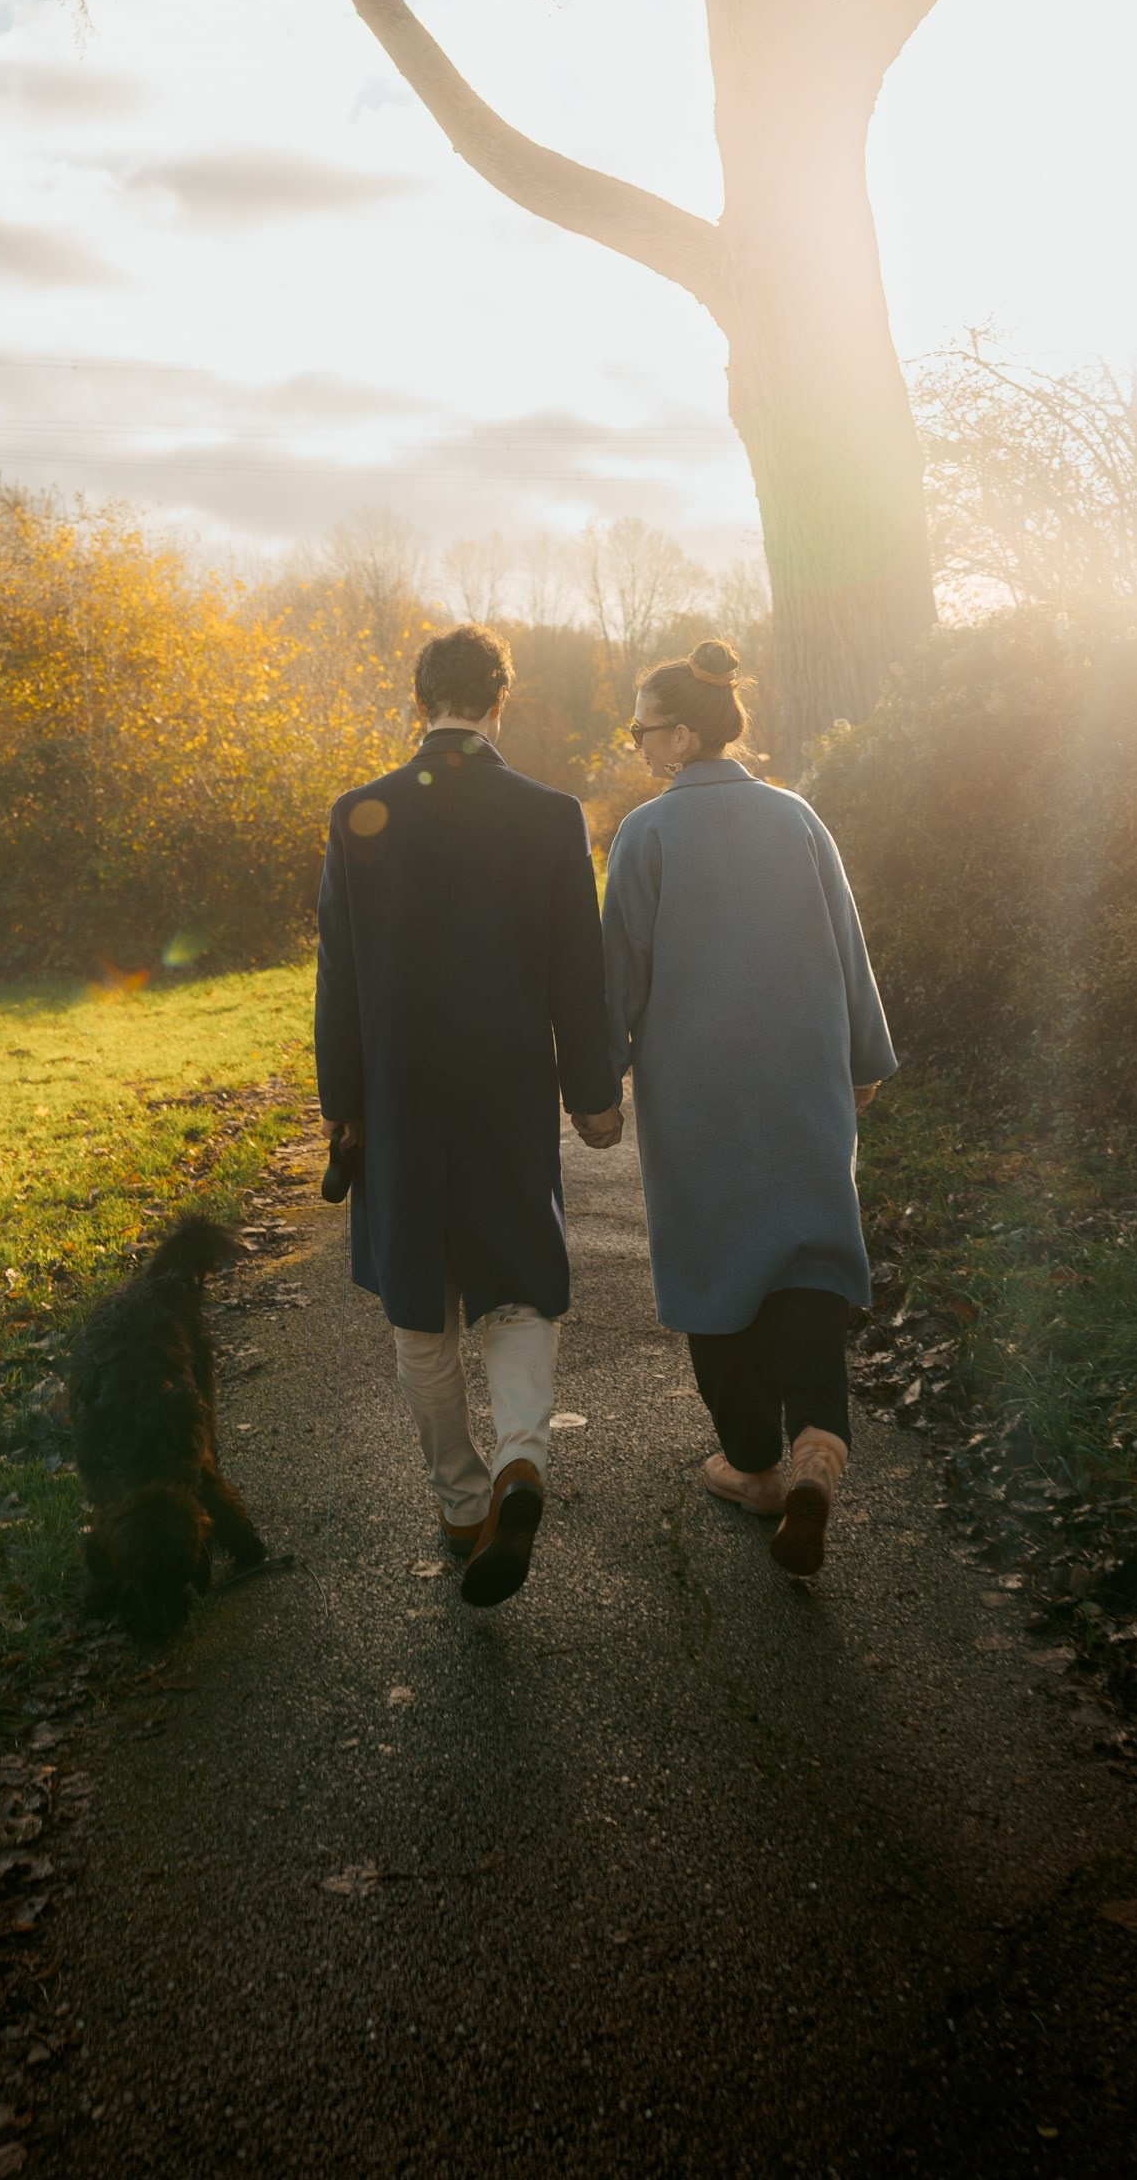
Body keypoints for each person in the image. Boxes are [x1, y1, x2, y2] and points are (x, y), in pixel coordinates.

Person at [315, 622, 623, 1608]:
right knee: (518, 1273)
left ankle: (457, 1502)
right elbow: (579, 968)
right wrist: (592, 1092)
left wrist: (342, 1104)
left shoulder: (359, 812)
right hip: (506, 1085)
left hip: (401, 1090)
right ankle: (521, 1458)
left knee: (422, 1300)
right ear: (500, 701)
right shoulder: (548, 815)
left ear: (420, 703)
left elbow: (338, 980)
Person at [602, 640, 895, 1577]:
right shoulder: (797, 816)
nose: (639, 742)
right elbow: (848, 944)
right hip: (803, 1073)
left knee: (714, 1256)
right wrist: (863, 1057)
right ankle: (819, 1441)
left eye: (642, 726)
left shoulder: (646, 834)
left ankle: (759, 1466)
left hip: (698, 1094)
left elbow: (619, 978)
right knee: (808, 1249)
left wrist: (599, 1085)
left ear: (683, 732)